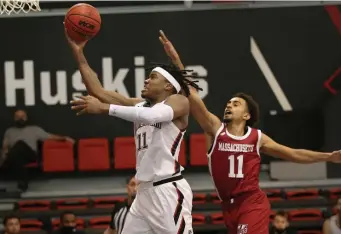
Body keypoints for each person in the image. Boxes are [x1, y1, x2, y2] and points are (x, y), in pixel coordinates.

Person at [158, 30, 341, 234]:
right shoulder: (215, 129)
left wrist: (329, 157)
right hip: (228, 206)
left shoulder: (256, 138)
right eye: (228, 103)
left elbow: (293, 153)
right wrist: (176, 60)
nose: (229, 106)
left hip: (252, 202)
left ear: (246, 115)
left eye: (235, 104)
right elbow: (192, 95)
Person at [65, 27, 201, 234]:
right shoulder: (139, 106)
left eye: (153, 77)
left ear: (168, 86)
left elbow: (153, 116)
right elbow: (98, 91)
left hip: (167, 191)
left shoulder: (179, 102)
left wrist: (103, 108)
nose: (146, 80)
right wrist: (78, 53)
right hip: (143, 193)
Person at [1, 109, 74, 191]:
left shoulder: (34, 129)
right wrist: (4, 154)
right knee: (17, 158)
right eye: (18, 117)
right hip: (15, 156)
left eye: (22, 116)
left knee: (19, 144)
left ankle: (12, 164)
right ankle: (22, 185)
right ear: (14, 119)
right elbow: (5, 146)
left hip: (30, 155)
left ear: (26, 118)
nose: (20, 118)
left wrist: (64, 138)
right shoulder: (9, 131)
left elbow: (50, 136)